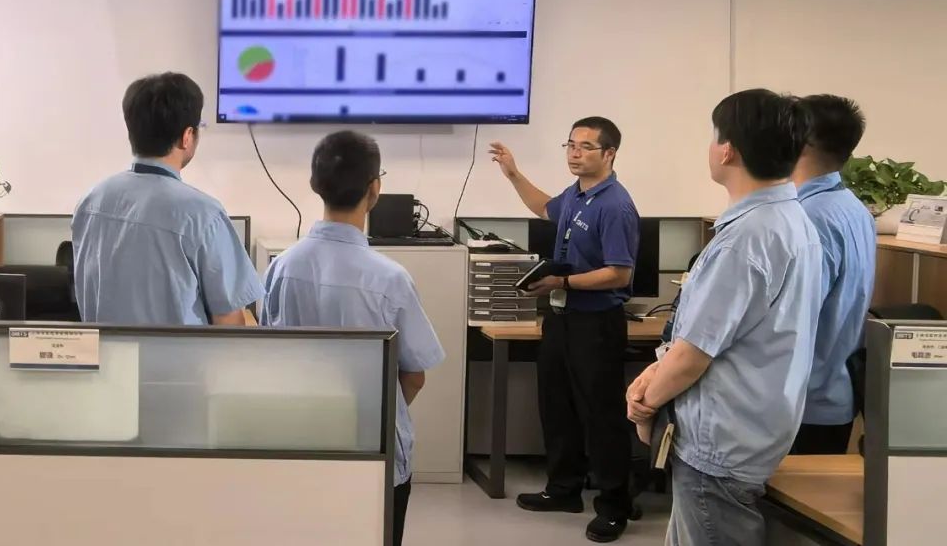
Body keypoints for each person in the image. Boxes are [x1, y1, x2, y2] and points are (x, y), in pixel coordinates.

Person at [626, 89, 822, 546]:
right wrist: (656, 371)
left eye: (714, 136)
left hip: (720, 445)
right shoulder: (792, 221)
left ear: (728, 149)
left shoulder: (745, 238)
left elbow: (694, 355)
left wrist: (644, 402)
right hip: (754, 431)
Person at [260, 130, 444, 546]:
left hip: (296, 444)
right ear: (374, 189)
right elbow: (414, 376)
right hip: (374, 451)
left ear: (314, 184)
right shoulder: (390, 278)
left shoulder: (281, 268)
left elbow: (270, 356)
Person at [489, 117, 640, 544]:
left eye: (586, 147)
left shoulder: (615, 205)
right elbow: (545, 208)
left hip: (596, 322)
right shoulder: (576, 195)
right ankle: (563, 489)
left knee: (601, 416)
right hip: (561, 318)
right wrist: (513, 174)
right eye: (570, 144)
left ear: (609, 154)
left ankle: (614, 506)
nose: (575, 153)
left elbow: (619, 273)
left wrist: (563, 282)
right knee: (557, 405)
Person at [72, 72, 261, 325]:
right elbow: (229, 324)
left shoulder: (90, 201)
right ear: (187, 136)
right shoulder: (203, 215)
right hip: (179, 353)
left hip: (106, 351)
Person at [789, 94, 876, 454]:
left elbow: (790, 322)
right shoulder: (854, 208)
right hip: (834, 394)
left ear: (800, 140)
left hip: (800, 403)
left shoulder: (807, 217)